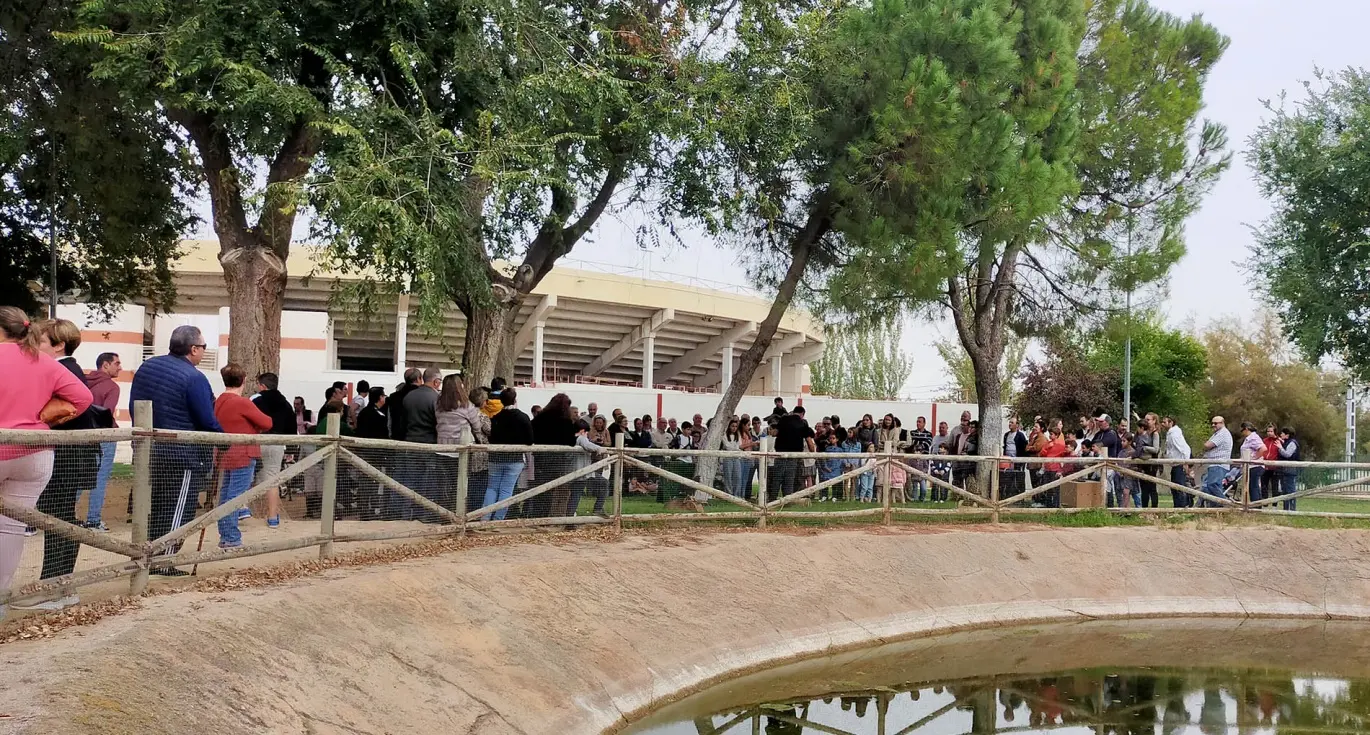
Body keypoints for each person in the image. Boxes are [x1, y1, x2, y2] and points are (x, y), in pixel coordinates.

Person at [0, 308, 93, 612]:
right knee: (11, 527)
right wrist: (44, 419)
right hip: (35, 451)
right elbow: (83, 398)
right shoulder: (45, 363)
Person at [128, 324, 223, 576]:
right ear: (193, 349)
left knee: (154, 504)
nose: (203, 352)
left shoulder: (147, 367)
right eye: (203, 347)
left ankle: (146, 556)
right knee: (178, 506)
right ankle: (163, 562)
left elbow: (133, 406)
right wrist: (223, 439)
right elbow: (206, 419)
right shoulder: (194, 377)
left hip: (148, 448)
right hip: (183, 453)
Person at [212, 364, 273, 550]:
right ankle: (231, 536)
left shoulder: (219, 401)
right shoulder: (242, 402)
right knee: (235, 496)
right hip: (243, 453)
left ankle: (226, 534)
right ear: (243, 380)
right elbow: (267, 422)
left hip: (225, 454)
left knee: (225, 494)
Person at [435, 373, 486, 519]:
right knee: (461, 485)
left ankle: (443, 515)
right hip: (460, 450)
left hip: (441, 449)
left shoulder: (438, 404)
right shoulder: (467, 406)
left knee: (444, 485)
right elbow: (477, 427)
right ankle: (459, 514)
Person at [397, 367, 443, 522]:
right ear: (436, 381)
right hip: (429, 444)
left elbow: (403, 422)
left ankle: (407, 513)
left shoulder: (409, 397)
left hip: (410, 442)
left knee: (411, 480)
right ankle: (426, 514)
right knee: (428, 481)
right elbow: (438, 423)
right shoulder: (436, 399)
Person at [83, 352, 122, 530]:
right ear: (105, 365)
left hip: (83, 435)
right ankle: (93, 519)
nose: (120, 367)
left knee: (78, 475)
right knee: (100, 477)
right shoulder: (111, 387)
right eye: (117, 363)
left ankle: (61, 514)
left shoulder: (83, 382)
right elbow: (107, 412)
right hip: (104, 436)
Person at [252, 372, 296, 528]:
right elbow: (292, 426)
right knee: (272, 478)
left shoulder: (256, 399)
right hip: (278, 443)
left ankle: (242, 510)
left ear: (262, 386)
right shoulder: (285, 403)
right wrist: (291, 449)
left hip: (258, 441)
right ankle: (272, 517)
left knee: (249, 476)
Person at [484, 388, 533, 520]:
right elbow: (530, 440)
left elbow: (492, 438)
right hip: (515, 459)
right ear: (515, 400)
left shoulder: (495, 418)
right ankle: (498, 519)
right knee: (506, 490)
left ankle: (485, 517)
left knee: (492, 488)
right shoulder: (523, 417)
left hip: (495, 457)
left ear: (501, 401)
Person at [771, 406, 815, 502]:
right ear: (802, 414)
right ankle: (787, 500)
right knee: (789, 479)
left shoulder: (784, 419)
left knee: (777, 477)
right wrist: (813, 453)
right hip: (794, 455)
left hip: (780, 453)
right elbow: (809, 442)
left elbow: (775, 433)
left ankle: (772, 499)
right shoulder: (802, 423)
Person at [572, 419, 610, 516]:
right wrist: (599, 448)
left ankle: (571, 517)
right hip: (582, 471)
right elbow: (587, 444)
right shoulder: (580, 438)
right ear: (582, 430)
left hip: (578, 471)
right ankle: (597, 509)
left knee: (576, 494)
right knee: (576, 495)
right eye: (586, 432)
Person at [1200, 416, 1233, 506]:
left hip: (1219, 464)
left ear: (1222, 423)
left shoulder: (1223, 433)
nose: (1213, 425)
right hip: (1214, 464)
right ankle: (1215, 509)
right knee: (1208, 487)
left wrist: (1205, 445)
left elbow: (1207, 445)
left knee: (1213, 485)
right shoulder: (1217, 433)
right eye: (1212, 423)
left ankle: (1225, 505)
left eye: (1216, 423)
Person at [1160, 416, 1193, 508]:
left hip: (1179, 464)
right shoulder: (1170, 434)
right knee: (1174, 487)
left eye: (1164, 422)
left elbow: (1184, 449)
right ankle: (1177, 506)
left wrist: (1186, 463)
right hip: (1175, 464)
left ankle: (1182, 506)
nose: (1162, 424)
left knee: (1179, 486)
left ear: (1171, 423)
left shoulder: (1174, 434)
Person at [387, 368, 423, 444]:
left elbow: (389, 419)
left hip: (397, 437)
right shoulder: (422, 395)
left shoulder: (393, 397)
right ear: (418, 379)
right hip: (418, 437)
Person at [1134, 413, 1162, 508]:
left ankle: (1154, 509)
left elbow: (1156, 449)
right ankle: (1144, 509)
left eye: (1148, 420)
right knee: (1144, 488)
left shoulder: (1155, 434)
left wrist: (1144, 448)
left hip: (1152, 464)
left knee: (1152, 488)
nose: (1146, 421)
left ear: (1154, 421)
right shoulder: (1144, 433)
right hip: (1143, 464)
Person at [1238, 421, 1266, 503]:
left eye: (1242, 430)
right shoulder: (1249, 439)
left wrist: (1254, 458)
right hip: (1250, 467)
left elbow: (1263, 449)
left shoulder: (1253, 438)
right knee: (1252, 486)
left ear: (1246, 429)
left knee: (1254, 487)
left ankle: (1256, 505)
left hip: (1255, 466)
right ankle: (1255, 504)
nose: (1242, 433)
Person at [1275, 427, 1301, 511]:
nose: (1281, 434)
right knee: (1285, 490)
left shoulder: (1292, 443)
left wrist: (1280, 447)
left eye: (1282, 433)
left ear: (1287, 435)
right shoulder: (1287, 442)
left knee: (1290, 490)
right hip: (1285, 470)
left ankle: (1292, 509)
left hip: (1290, 469)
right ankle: (1286, 509)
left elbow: (1287, 454)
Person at [721, 418, 745, 498]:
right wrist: (736, 448)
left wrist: (736, 448)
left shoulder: (738, 435)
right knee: (728, 476)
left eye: (735, 426)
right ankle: (729, 494)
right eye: (732, 426)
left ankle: (736, 494)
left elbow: (739, 446)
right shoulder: (724, 435)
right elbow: (727, 446)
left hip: (736, 458)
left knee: (737, 477)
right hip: (728, 458)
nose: (734, 428)